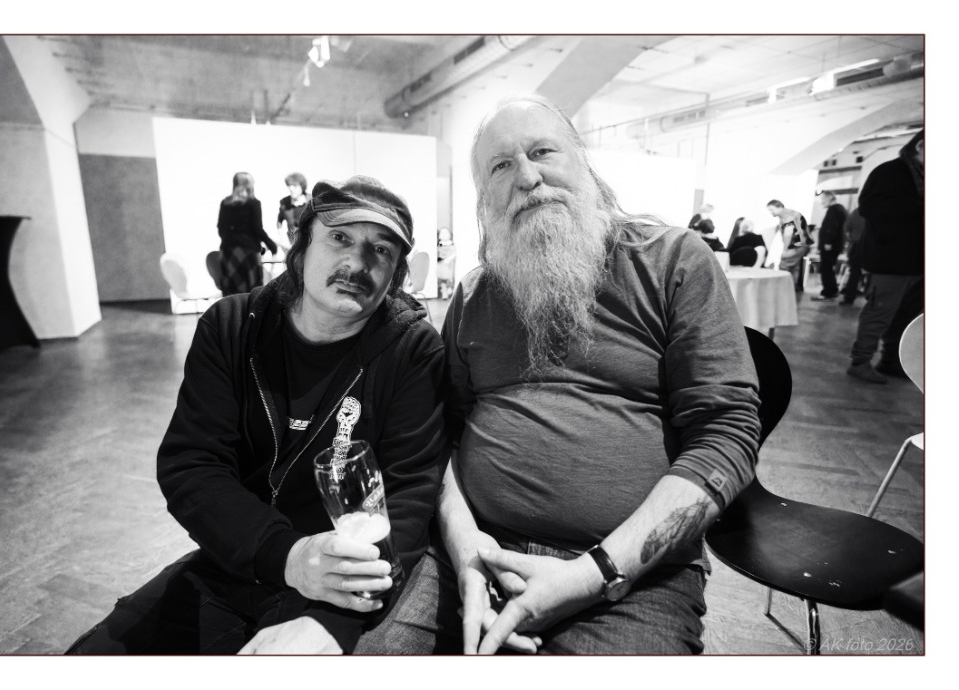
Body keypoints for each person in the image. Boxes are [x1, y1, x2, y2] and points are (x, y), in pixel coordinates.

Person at [355, 95, 761, 655]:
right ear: (484, 200)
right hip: (471, 553)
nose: (527, 177)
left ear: (582, 161)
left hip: (630, 573)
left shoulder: (673, 260)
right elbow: (440, 435)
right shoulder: (475, 294)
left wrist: (596, 572)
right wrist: (466, 547)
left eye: (542, 151)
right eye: (501, 166)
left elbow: (726, 433)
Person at [67, 176, 450, 654]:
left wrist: (334, 622)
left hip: (345, 574)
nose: (357, 263)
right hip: (242, 556)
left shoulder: (412, 351)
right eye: (340, 237)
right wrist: (287, 555)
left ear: (395, 275)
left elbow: (410, 492)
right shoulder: (231, 328)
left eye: (382, 250)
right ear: (301, 247)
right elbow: (193, 466)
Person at [847, 130, 924, 384]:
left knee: (907, 316)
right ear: (921, 145)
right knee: (878, 313)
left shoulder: (922, 175)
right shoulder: (890, 171)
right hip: (889, 261)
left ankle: (891, 361)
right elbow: (868, 207)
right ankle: (860, 362)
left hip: (916, 261)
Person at [217, 172, 278, 296]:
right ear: (249, 185)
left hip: (228, 252)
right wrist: (272, 246)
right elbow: (258, 229)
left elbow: (220, 228)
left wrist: (231, 241)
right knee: (252, 294)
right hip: (248, 253)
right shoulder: (253, 203)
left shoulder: (225, 203)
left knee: (232, 293)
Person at [766, 199, 813, 292]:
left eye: (772, 209)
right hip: (802, 245)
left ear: (779, 207)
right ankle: (792, 289)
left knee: (784, 265)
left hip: (797, 245)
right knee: (795, 267)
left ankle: (782, 289)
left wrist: (785, 249)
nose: (771, 212)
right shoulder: (791, 213)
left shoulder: (787, 216)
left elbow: (788, 233)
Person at [811, 191, 848, 301]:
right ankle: (832, 290)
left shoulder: (834, 210)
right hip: (835, 245)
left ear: (830, 198)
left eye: (823, 199)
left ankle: (828, 292)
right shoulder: (840, 209)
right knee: (828, 268)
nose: (821, 202)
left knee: (826, 268)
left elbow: (832, 227)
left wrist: (828, 242)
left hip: (830, 245)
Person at [839, 208, 868, 306]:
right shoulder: (878, 212)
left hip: (857, 245)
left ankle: (849, 297)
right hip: (871, 246)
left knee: (854, 272)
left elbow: (846, 228)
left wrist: (851, 239)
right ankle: (868, 297)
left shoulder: (857, 212)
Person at [277, 172, 311, 245]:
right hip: (293, 244)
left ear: (302, 186)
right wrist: (281, 237)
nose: (291, 189)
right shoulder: (284, 203)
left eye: (295, 186)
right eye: (289, 185)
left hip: (310, 243)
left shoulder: (312, 201)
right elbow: (279, 221)